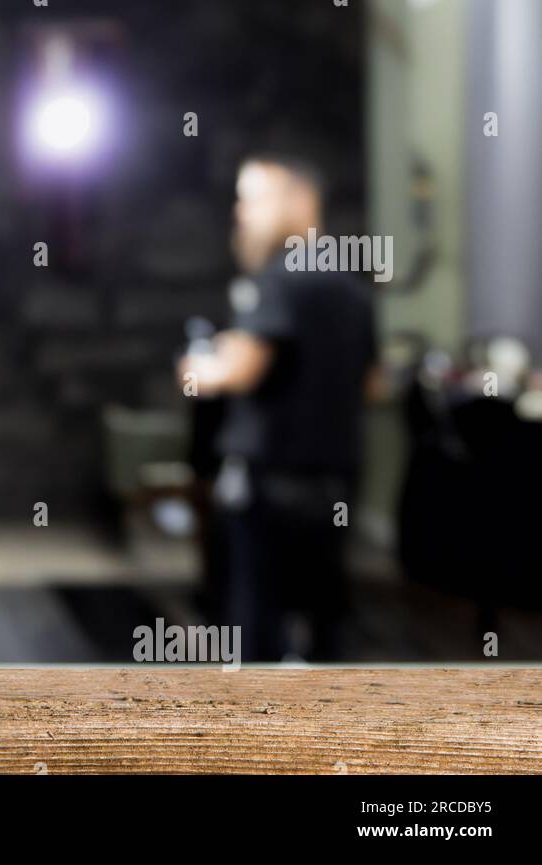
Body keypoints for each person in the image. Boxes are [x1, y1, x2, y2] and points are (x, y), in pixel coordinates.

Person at [176, 153, 380, 661]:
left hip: (268, 480)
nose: (241, 214)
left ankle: (257, 736)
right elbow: (373, 384)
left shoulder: (280, 279)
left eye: (252, 199)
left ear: (298, 201)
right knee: (323, 620)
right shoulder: (351, 286)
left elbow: (241, 369)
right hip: (336, 478)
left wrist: (202, 367)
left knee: (254, 627)